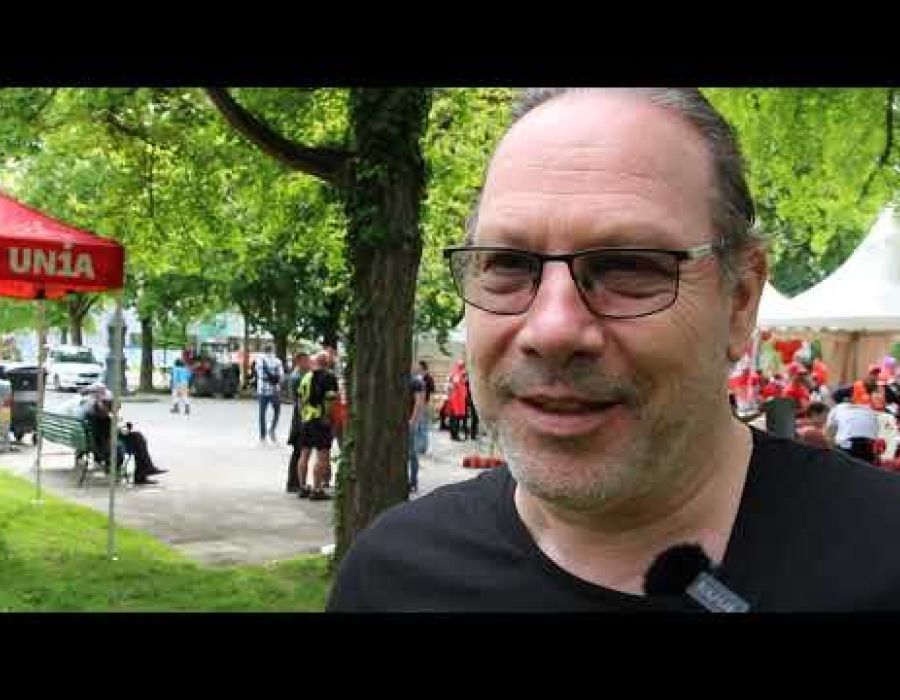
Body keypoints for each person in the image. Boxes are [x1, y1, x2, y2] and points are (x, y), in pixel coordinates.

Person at [328, 88, 900, 612]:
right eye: (508, 263)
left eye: (628, 266)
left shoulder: (881, 563)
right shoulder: (390, 581)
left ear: (740, 300)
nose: (552, 331)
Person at [295, 352, 338, 501]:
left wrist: (303, 416)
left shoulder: (306, 377)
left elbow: (299, 399)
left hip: (306, 419)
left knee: (304, 453)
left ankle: (302, 487)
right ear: (326, 362)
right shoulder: (329, 377)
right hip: (320, 420)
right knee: (322, 455)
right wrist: (327, 416)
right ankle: (317, 489)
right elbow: (331, 399)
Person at [826, 396, 880, 465]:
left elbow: (828, 434)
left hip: (848, 446)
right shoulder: (868, 409)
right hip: (868, 445)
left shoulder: (836, 409)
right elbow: (876, 430)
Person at [286, 351, 311, 493]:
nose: (309, 363)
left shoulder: (299, 375)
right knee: (298, 450)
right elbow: (300, 400)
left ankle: (294, 482)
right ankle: (293, 483)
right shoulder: (298, 377)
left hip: (299, 416)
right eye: (307, 361)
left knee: (299, 450)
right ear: (299, 361)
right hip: (300, 418)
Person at [256, 344, 283, 444]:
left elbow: (259, 374)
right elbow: (281, 376)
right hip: (274, 390)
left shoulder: (259, 360)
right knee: (277, 411)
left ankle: (262, 436)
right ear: (273, 350)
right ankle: (272, 430)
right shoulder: (277, 361)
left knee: (262, 413)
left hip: (262, 389)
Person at [408, 367, 426, 495]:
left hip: (409, 422)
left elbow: (419, 403)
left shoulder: (415, 382)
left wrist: (413, 420)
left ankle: (413, 482)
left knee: (412, 453)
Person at [416, 360, 435, 455]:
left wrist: (429, 404)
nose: (417, 369)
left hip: (424, 404)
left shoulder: (428, 378)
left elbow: (431, 391)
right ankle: (418, 446)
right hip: (417, 404)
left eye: (419, 367)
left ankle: (422, 448)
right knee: (418, 426)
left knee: (423, 426)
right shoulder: (417, 377)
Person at [446, 360, 468, 441]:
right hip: (457, 400)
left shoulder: (456, 373)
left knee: (455, 418)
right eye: (462, 366)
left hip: (457, 399)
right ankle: (455, 435)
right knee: (456, 418)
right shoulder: (458, 374)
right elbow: (456, 383)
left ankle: (454, 435)